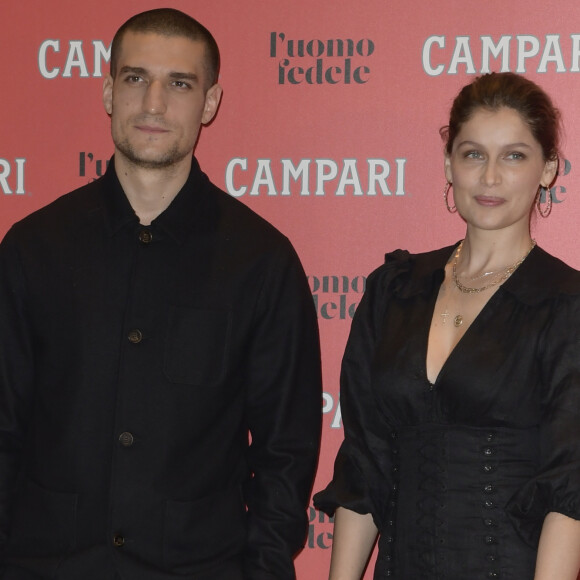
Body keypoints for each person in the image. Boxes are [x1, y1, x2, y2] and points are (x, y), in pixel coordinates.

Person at [0, 8, 322, 580]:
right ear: (107, 91)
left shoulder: (262, 262)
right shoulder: (32, 249)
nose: (153, 104)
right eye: (135, 78)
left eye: (179, 83)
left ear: (211, 102)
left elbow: (285, 453)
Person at [314, 72, 580, 579]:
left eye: (515, 156)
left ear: (548, 169)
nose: (490, 177)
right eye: (473, 154)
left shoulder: (566, 306)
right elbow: (366, 463)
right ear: (448, 164)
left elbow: (569, 490)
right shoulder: (393, 291)